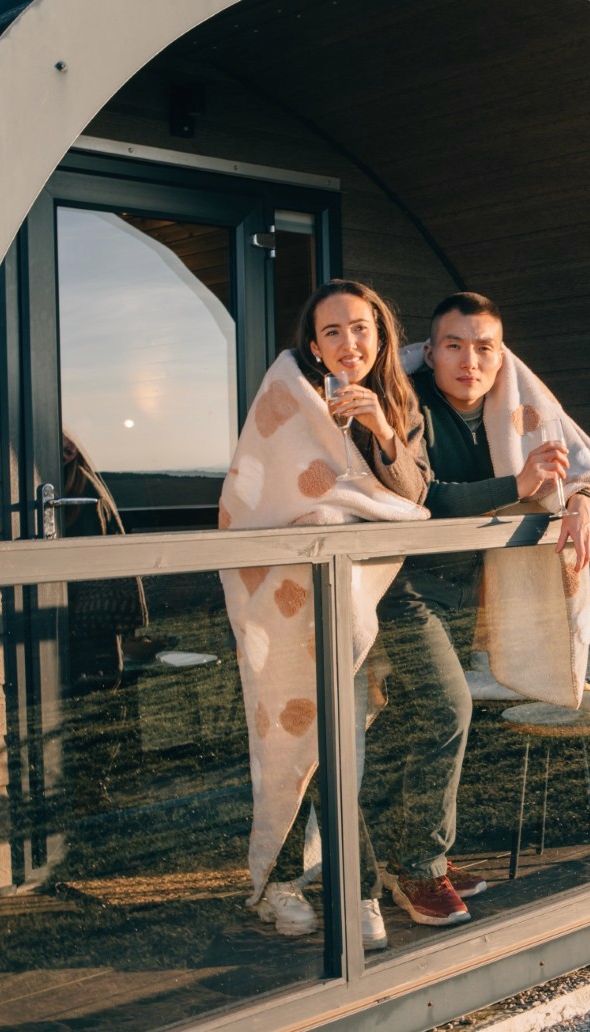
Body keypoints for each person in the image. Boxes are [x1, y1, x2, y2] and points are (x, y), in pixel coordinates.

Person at [363, 291, 590, 928]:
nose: (469, 361)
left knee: (417, 723)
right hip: (396, 581)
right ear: (431, 349)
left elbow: (576, 465)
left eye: (485, 348)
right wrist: (517, 487)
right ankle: (420, 867)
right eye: (453, 345)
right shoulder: (407, 400)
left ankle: (397, 859)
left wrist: (579, 501)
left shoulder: (511, 405)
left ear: (502, 357)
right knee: (450, 706)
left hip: (453, 586)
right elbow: (427, 497)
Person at [220, 279, 428, 953]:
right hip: (291, 596)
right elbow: (263, 491)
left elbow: (414, 496)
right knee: (298, 737)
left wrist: (379, 428)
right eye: (332, 332)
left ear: (380, 335)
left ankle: (345, 877)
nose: (348, 343)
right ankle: (323, 885)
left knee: (340, 741)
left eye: (361, 328)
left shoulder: (396, 400)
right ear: (312, 345)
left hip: (371, 596)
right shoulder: (286, 394)